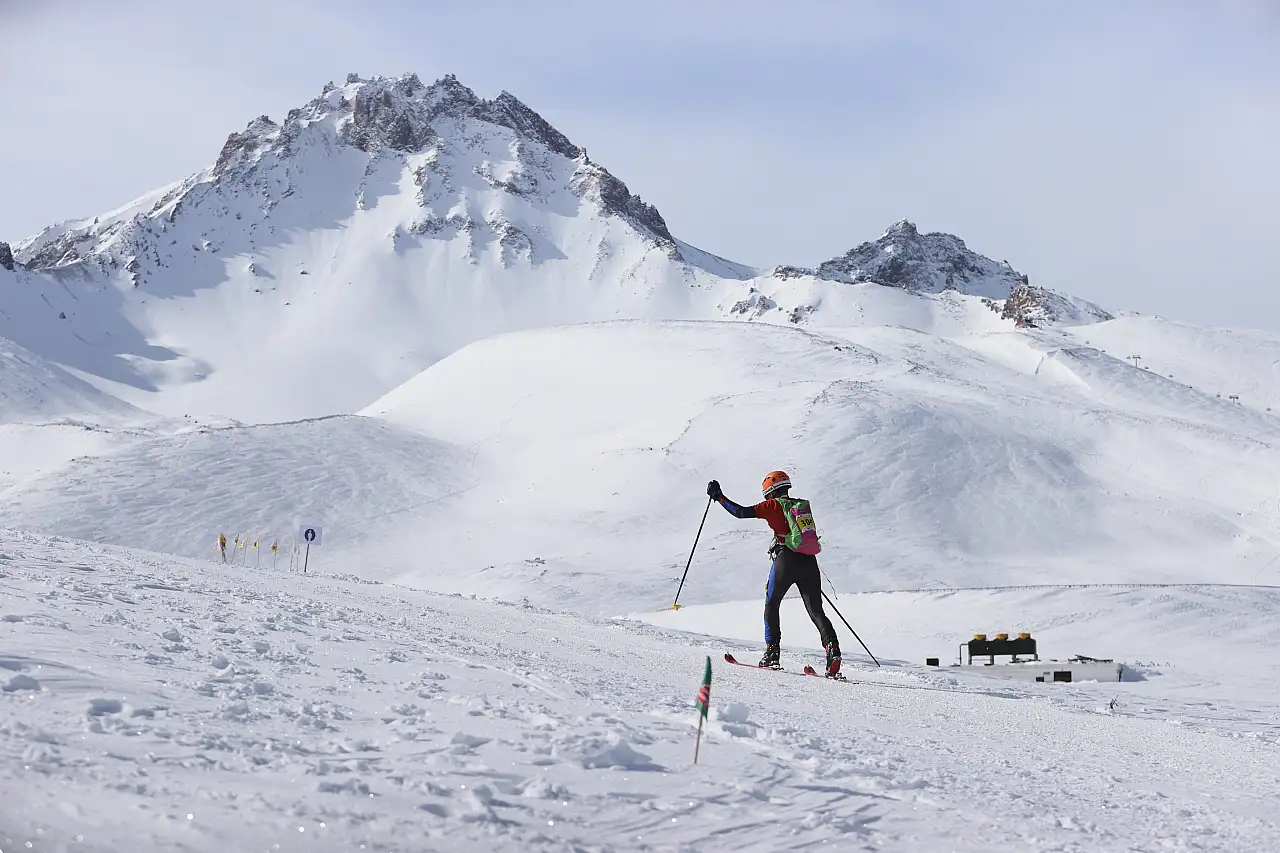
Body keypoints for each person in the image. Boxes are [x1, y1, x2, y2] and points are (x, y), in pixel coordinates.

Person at [706, 471, 841, 675]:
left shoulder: (772, 505)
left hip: (786, 560)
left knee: (771, 603)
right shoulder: (799, 506)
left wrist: (719, 497)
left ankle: (772, 653)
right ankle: (833, 651)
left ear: (770, 491)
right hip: (809, 562)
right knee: (816, 611)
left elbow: (741, 512)